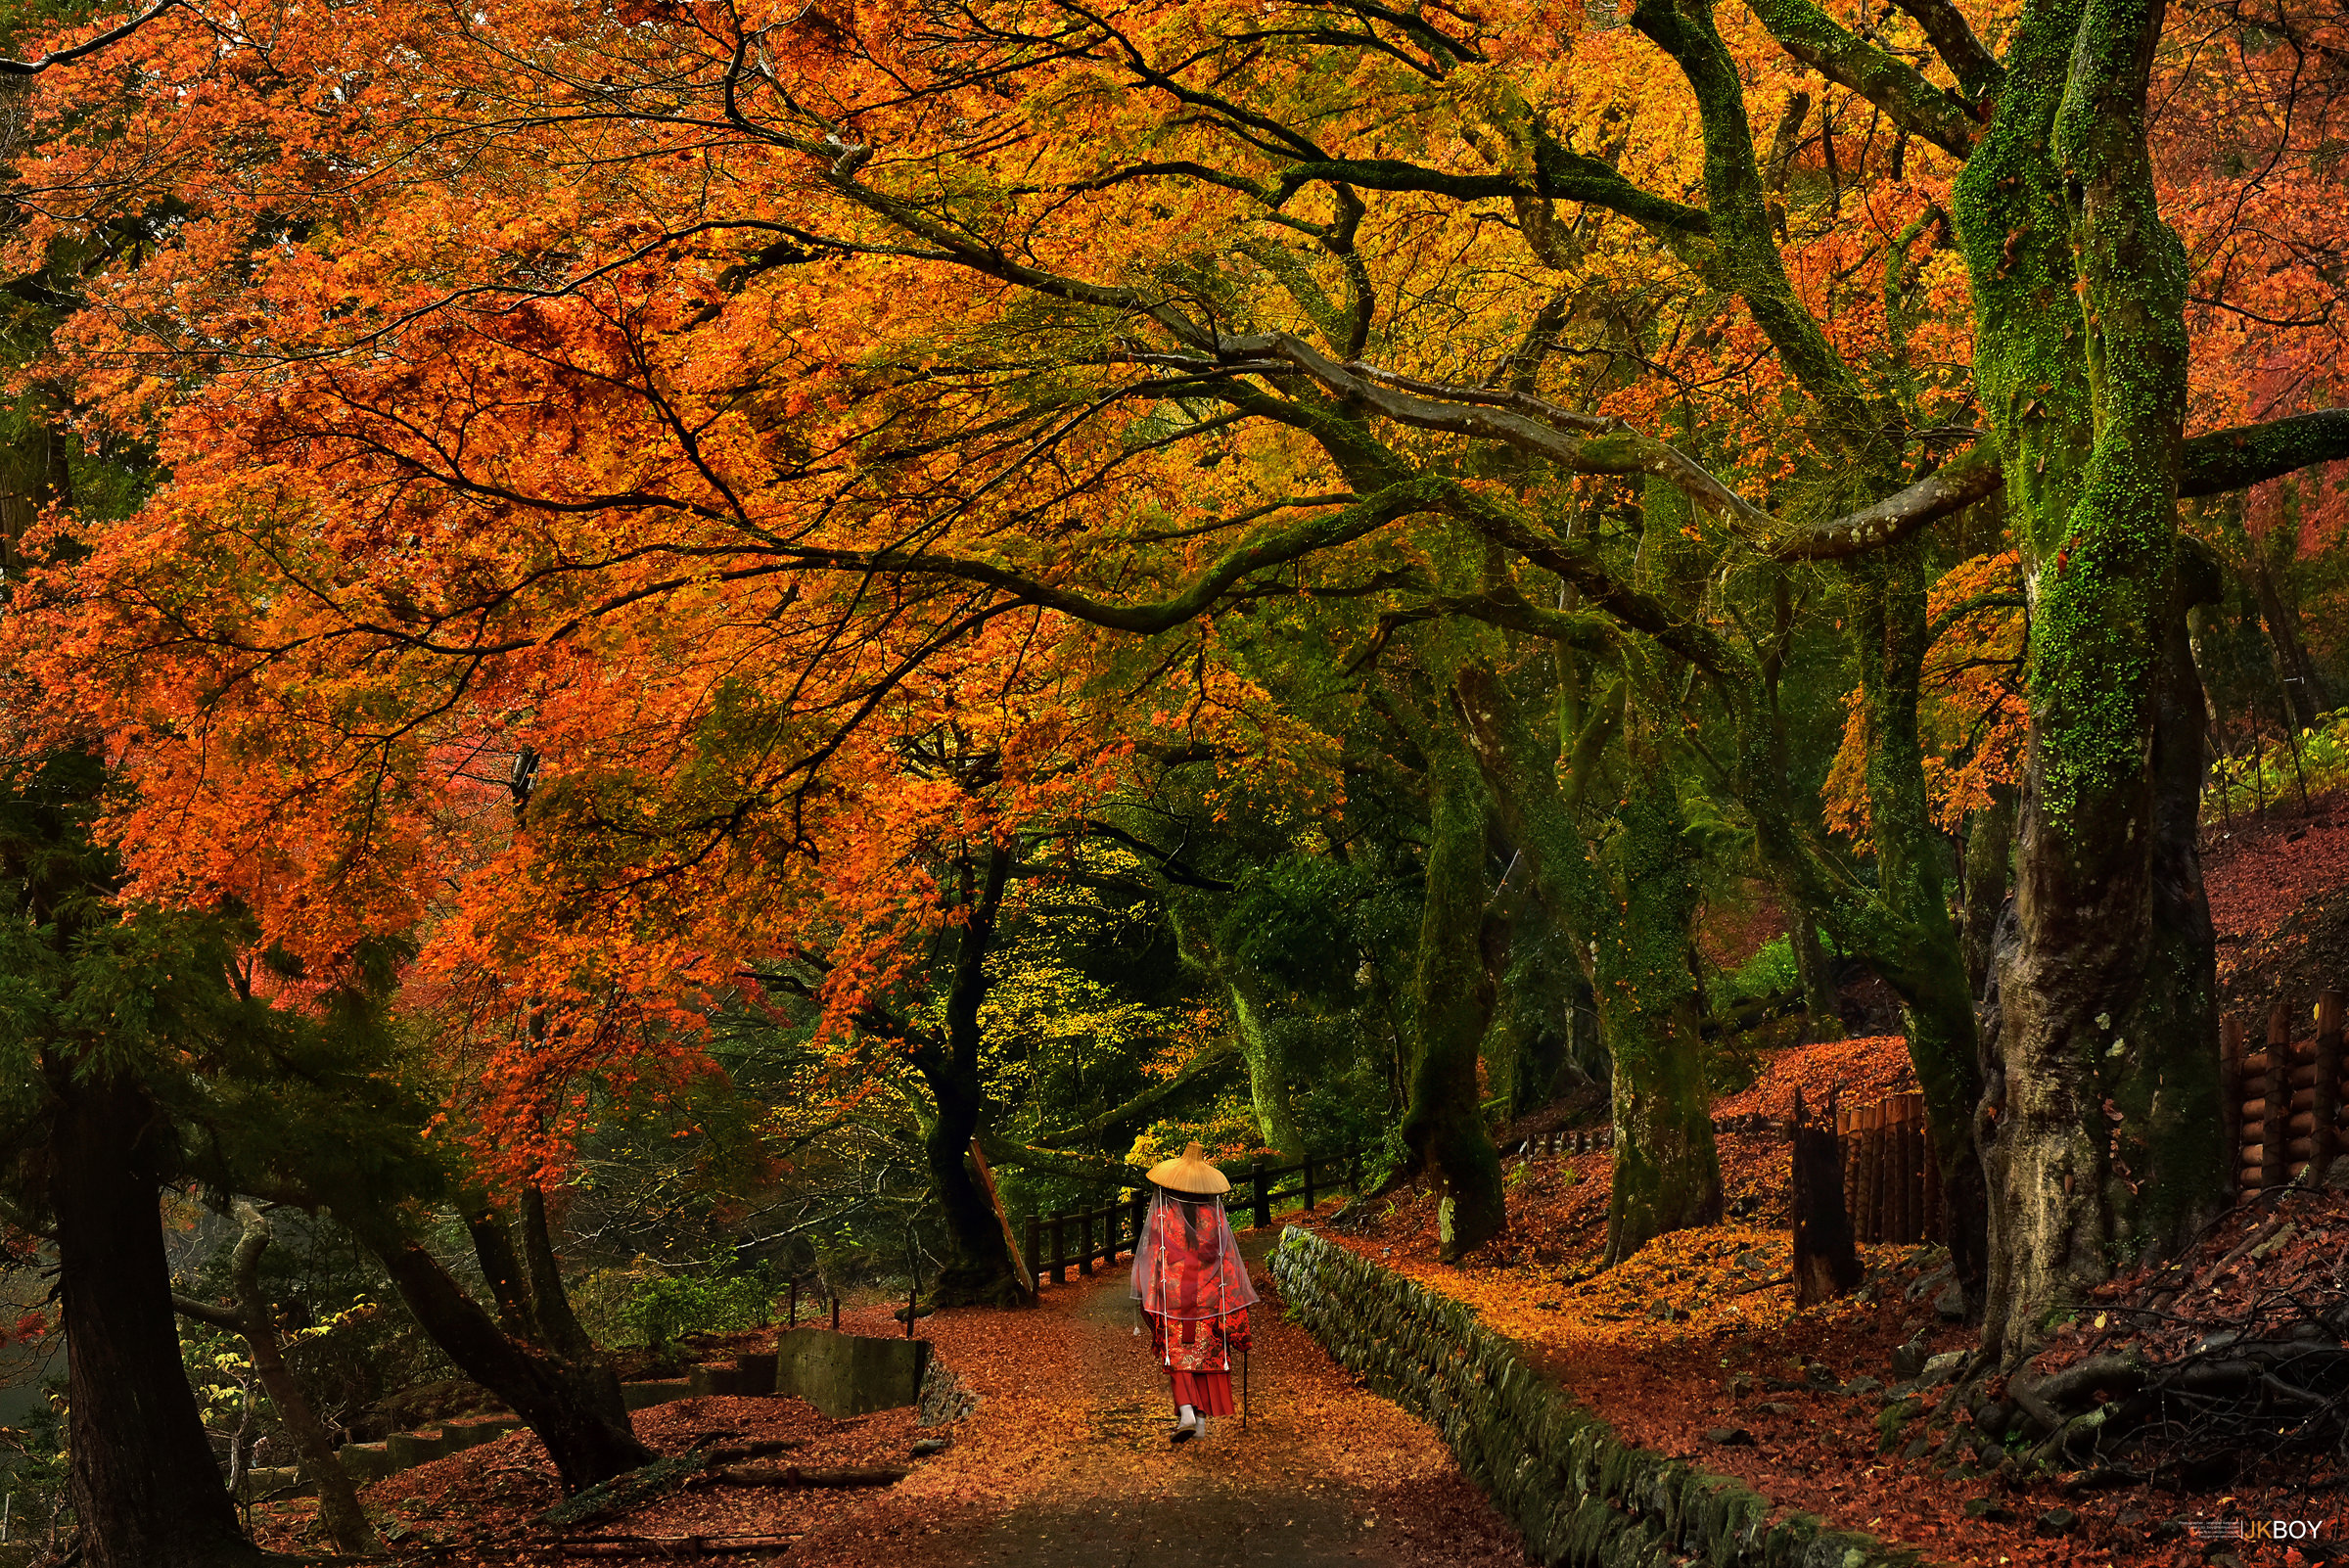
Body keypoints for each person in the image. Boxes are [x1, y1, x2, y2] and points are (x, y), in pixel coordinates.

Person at [1130, 1141, 1257, 1443]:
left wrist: (1149, 1289)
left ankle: (1187, 1411)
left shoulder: (1163, 1216)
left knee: (1178, 1355)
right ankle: (1199, 1421)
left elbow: (1153, 1255)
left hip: (1174, 1296)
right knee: (1206, 1355)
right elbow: (1227, 1257)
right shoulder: (1214, 1217)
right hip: (1209, 1296)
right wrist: (1234, 1295)